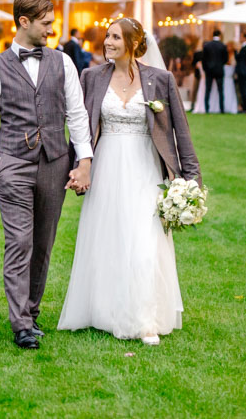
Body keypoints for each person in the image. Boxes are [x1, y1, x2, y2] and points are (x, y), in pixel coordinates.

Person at [58, 17, 202, 346]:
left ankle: (146, 319)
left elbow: (181, 132)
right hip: (107, 168)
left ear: (133, 44)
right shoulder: (91, 77)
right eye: (106, 36)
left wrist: (190, 181)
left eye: (114, 37)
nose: (106, 42)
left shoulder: (161, 79)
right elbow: (80, 128)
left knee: (144, 241)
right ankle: (106, 311)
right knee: (110, 239)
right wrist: (79, 167)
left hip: (145, 170)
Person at [0, 0, 93, 350]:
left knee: (43, 243)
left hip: (55, 162)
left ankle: (32, 311)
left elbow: (77, 114)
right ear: (23, 21)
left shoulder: (64, 63)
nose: (51, 28)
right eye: (45, 23)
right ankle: (21, 324)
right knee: (19, 242)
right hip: (13, 165)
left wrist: (82, 159)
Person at [202, 30, 229, 113]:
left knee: (208, 90)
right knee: (220, 91)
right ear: (220, 35)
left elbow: (204, 59)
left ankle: (207, 108)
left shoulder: (207, 45)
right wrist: (220, 64)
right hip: (219, 70)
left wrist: (206, 69)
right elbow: (226, 59)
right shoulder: (223, 46)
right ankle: (222, 109)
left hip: (209, 71)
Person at [235, 32, 246, 113]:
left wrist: (237, 52)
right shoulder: (245, 48)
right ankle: (244, 107)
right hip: (243, 71)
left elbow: (240, 59)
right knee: (242, 90)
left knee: (243, 90)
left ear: (245, 38)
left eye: (241, 37)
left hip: (243, 72)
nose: (240, 38)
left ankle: (245, 108)